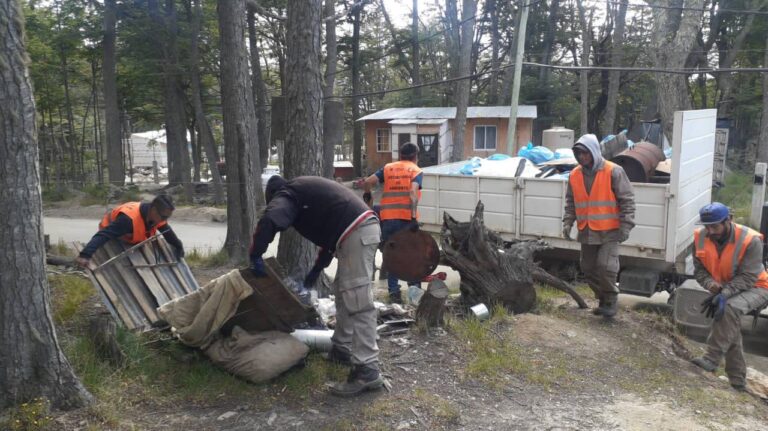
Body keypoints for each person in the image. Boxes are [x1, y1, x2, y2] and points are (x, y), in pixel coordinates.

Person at [249, 175, 383, 397]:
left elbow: (270, 218)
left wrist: (255, 255)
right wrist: (315, 271)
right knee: (343, 291)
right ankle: (342, 348)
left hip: (358, 231)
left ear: (274, 196)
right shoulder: (305, 194)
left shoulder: (288, 194)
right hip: (353, 232)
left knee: (358, 299)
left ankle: (367, 370)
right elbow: (329, 241)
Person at [690, 202, 768, 391]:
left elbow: (749, 276)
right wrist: (712, 287)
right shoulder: (700, 238)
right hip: (727, 288)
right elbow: (699, 271)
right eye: (707, 226)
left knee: (729, 310)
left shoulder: (750, 240)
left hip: (758, 287)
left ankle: (711, 358)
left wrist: (724, 294)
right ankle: (738, 382)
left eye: (715, 226)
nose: (710, 231)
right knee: (729, 327)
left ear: (729, 220)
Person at [562, 134, 635, 317]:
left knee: (605, 266)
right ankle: (602, 298)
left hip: (610, 230)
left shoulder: (614, 171)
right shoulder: (575, 174)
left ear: (593, 151)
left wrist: (626, 226)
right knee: (587, 268)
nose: (582, 157)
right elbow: (571, 202)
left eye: (585, 153)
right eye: (578, 154)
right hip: (587, 230)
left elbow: (627, 200)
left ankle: (610, 300)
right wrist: (567, 223)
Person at [362, 142, 422, 304]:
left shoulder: (388, 168)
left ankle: (394, 293)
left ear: (400, 155)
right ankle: (414, 291)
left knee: (391, 256)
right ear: (415, 156)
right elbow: (412, 192)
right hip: (406, 220)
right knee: (412, 255)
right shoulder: (416, 170)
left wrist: (368, 202)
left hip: (387, 219)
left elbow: (368, 182)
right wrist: (414, 216)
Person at [76, 195, 184, 269]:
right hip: (114, 236)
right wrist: (85, 254)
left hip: (129, 236)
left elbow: (167, 232)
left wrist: (179, 246)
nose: (165, 220)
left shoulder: (157, 217)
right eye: (164, 217)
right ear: (154, 210)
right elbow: (104, 234)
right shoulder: (128, 220)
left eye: (168, 217)